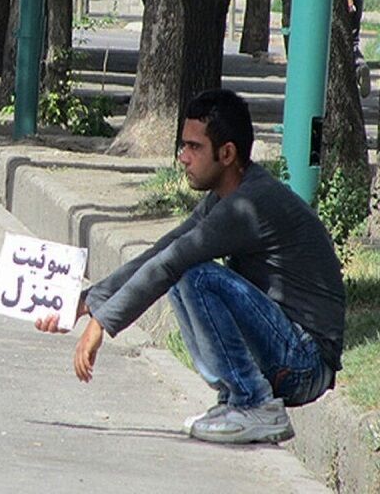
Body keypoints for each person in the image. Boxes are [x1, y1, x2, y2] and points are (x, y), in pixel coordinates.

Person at [36, 89, 345, 445]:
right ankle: (235, 399)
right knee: (183, 267)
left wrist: (102, 323)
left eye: (194, 147)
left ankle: (254, 403)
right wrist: (88, 301)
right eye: (183, 146)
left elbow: (174, 262)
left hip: (305, 363)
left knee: (196, 277)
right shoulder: (227, 196)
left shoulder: (248, 205)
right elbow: (164, 250)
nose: (183, 157)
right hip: (288, 348)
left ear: (226, 153)